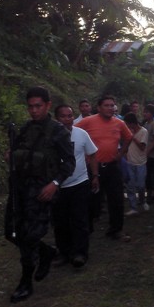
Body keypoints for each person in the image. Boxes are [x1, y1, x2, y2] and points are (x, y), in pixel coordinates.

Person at [5, 86, 75, 303]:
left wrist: (54, 184)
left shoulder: (58, 131)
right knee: (11, 232)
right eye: (30, 107)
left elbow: (69, 163)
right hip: (20, 188)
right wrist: (11, 156)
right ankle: (45, 252)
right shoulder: (25, 129)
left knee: (28, 237)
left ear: (47, 105)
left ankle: (25, 283)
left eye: (38, 106)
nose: (33, 111)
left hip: (41, 192)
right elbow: (16, 153)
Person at [76, 95, 133, 240]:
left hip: (112, 166)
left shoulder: (119, 123)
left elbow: (129, 137)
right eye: (106, 105)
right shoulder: (88, 121)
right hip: (93, 168)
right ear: (99, 107)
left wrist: (121, 153)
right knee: (91, 200)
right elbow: (71, 132)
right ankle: (86, 229)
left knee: (116, 199)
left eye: (112, 105)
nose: (110, 108)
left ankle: (116, 229)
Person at [53, 104, 99, 267]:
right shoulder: (50, 137)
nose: (67, 119)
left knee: (80, 219)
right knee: (61, 221)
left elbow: (92, 155)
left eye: (70, 116)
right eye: (63, 116)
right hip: (58, 186)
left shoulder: (81, 134)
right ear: (56, 118)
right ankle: (64, 252)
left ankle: (80, 253)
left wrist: (95, 176)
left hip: (80, 183)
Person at [123, 112, 149, 216]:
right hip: (129, 162)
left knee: (141, 185)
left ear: (132, 123)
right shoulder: (127, 131)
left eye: (128, 124)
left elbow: (142, 147)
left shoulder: (144, 131)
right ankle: (133, 207)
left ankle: (142, 201)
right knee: (130, 186)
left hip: (140, 163)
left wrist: (133, 137)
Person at [142, 104, 154, 201]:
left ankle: (151, 194)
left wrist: (148, 150)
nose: (144, 114)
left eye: (147, 112)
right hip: (146, 153)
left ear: (152, 114)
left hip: (152, 154)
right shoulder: (146, 124)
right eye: (144, 112)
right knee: (146, 175)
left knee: (149, 175)